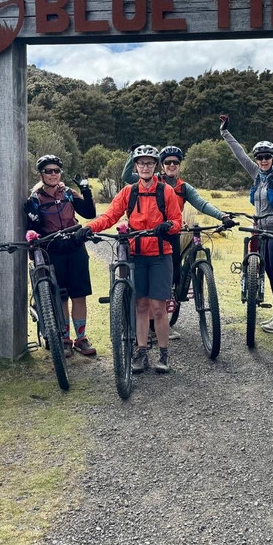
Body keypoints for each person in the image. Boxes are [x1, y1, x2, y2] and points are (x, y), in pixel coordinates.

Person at [80, 145, 182, 374]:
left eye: (150, 163)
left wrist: (168, 226)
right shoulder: (128, 192)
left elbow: (177, 221)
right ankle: (141, 352)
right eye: (141, 163)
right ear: (135, 166)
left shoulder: (166, 191)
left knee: (159, 308)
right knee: (141, 305)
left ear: (155, 166)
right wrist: (89, 227)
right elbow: (110, 216)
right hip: (136, 256)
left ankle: (163, 354)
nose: (145, 167)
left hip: (160, 255)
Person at [122, 145, 234, 326]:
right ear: (161, 165)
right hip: (148, 235)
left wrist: (222, 216)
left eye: (175, 162)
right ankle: (150, 319)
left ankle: (164, 309)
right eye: (167, 162)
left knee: (173, 274)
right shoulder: (153, 180)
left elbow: (202, 204)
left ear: (180, 165)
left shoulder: (184, 188)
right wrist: (132, 154)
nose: (172, 165)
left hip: (172, 232)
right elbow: (127, 177)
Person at [218, 113, 273, 333]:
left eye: (267, 156)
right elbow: (239, 153)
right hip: (262, 231)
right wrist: (225, 132)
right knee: (269, 273)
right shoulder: (256, 174)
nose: (263, 160)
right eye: (260, 157)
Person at [25, 155, 98, 356]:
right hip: (53, 251)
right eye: (48, 171)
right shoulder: (35, 199)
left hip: (75, 248)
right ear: (41, 174)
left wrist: (85, 190)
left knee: (79, 295)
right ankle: (65, 339)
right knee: (62, 297)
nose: (53, 174)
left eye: (56, 171)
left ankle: (81, 338)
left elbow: (89, 214)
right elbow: (32, 230)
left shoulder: (68, 193)